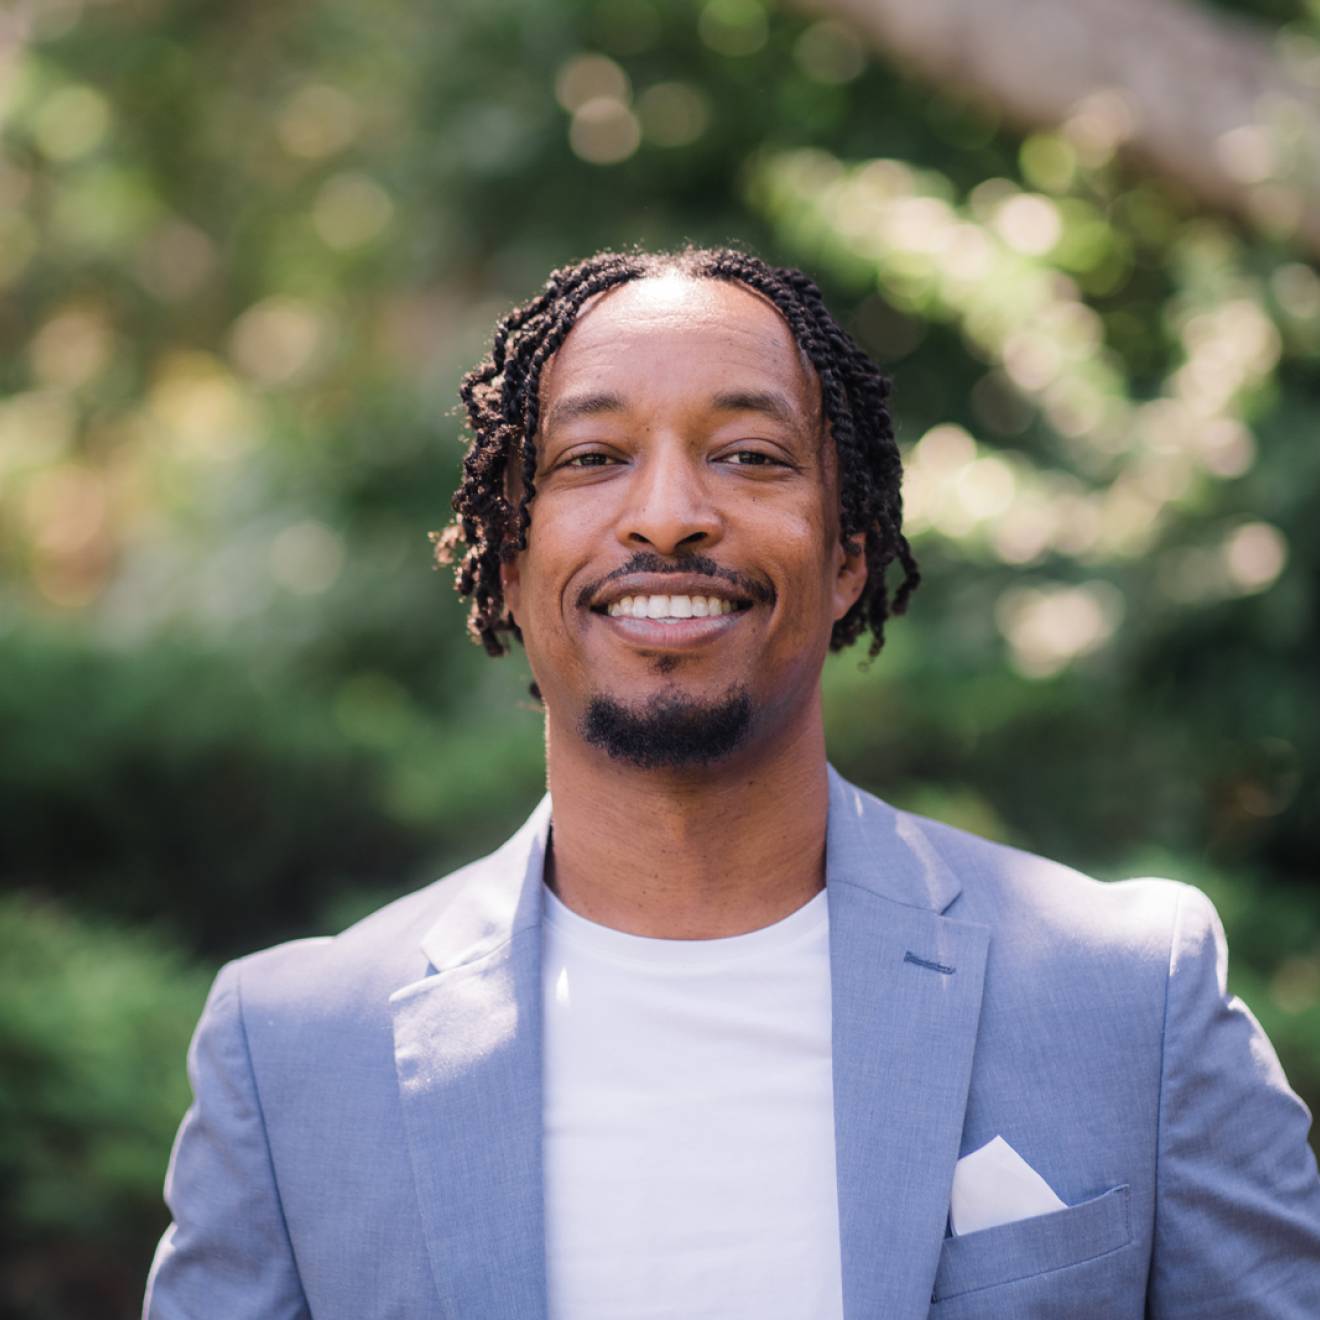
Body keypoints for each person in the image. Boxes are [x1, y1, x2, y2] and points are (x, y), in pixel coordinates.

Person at [144, 247, 1320, 1319]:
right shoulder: (293, 1053)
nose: (668, 516)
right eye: (594, 459)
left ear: (848, 555)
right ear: (509, 563)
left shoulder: (1128, 995)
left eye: (748, 457)